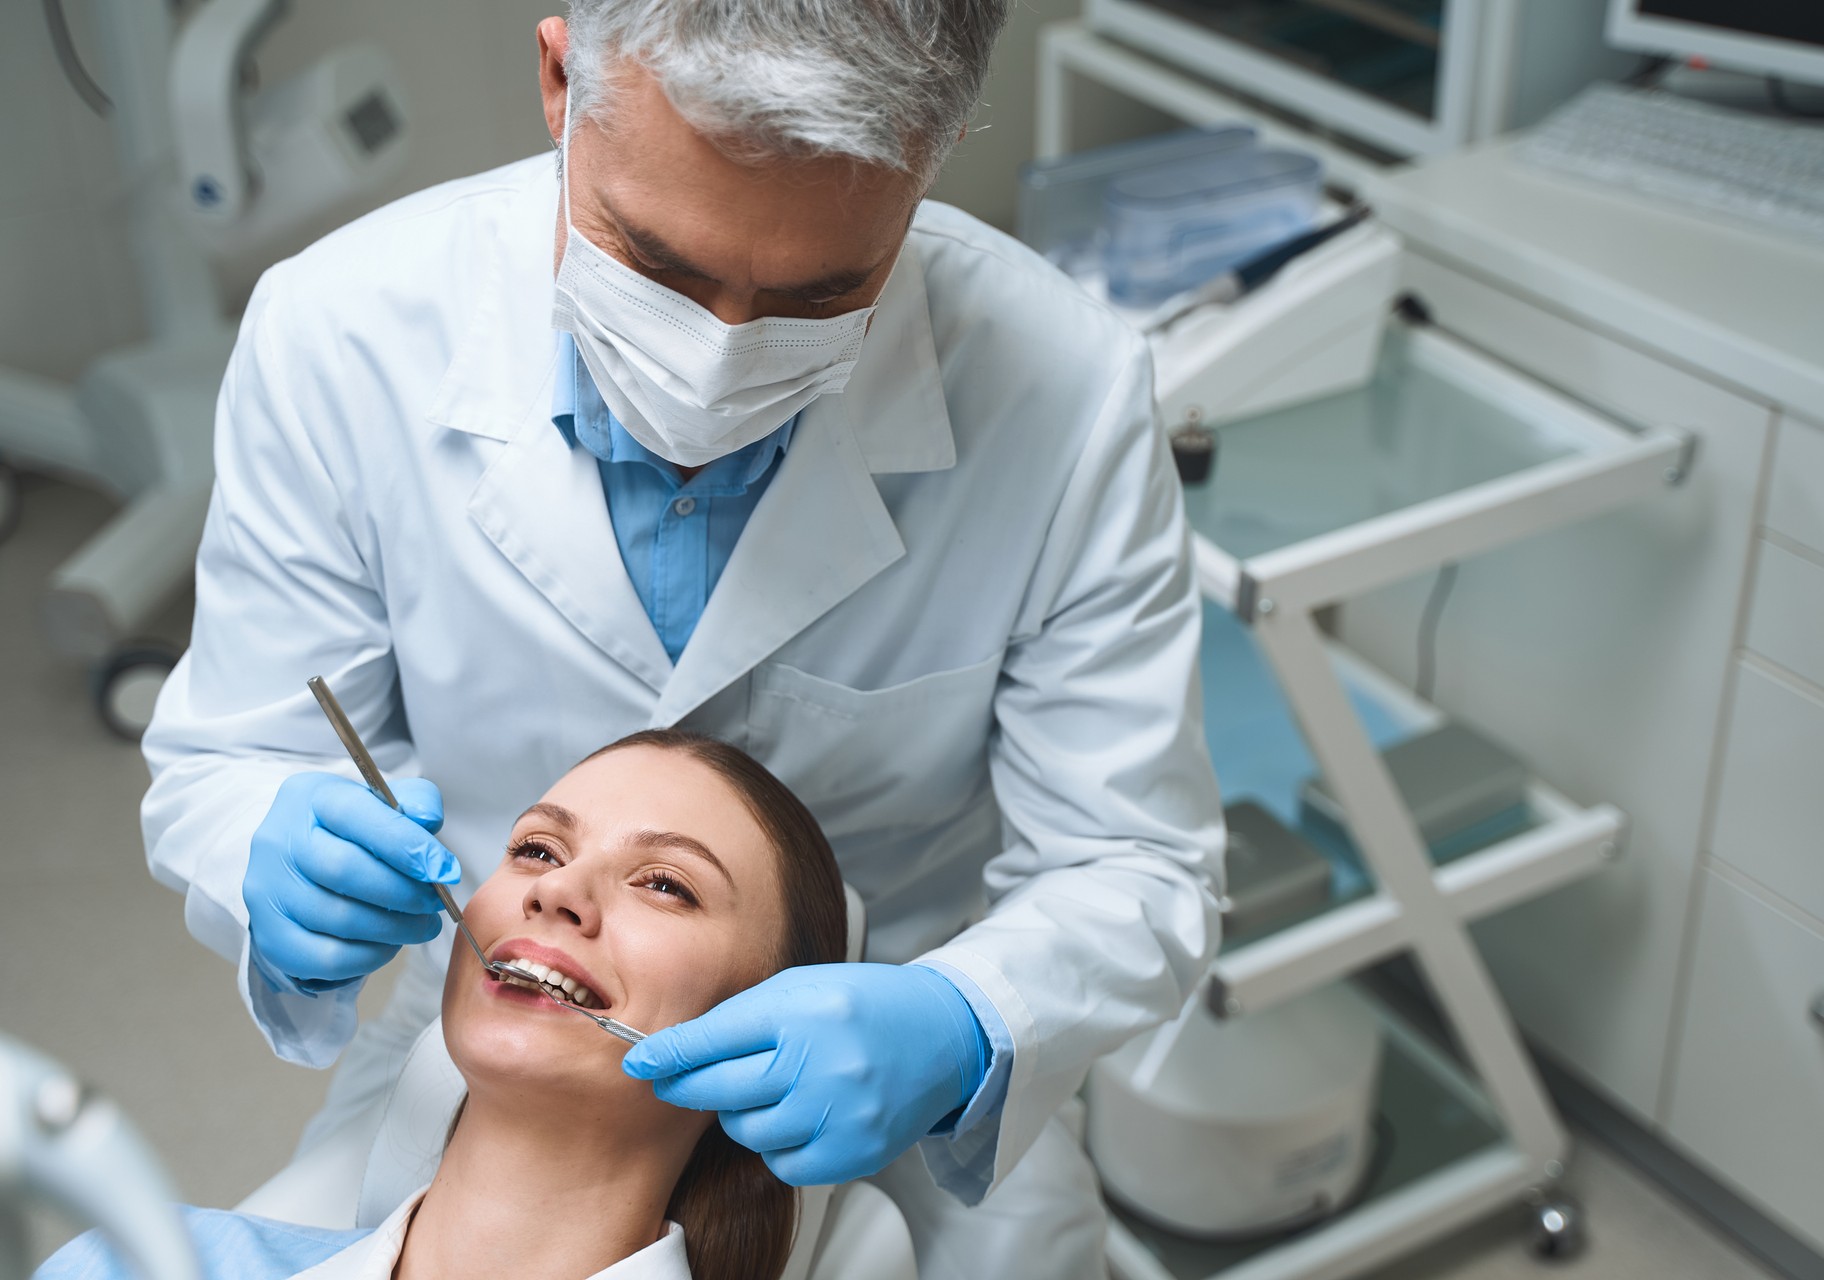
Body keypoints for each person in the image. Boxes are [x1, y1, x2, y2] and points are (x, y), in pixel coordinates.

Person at [140, 3, 1224, 1277]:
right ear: (558, 78)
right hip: (492, 1053)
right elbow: (240, 752)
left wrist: (965, 1023)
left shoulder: (1067, 395)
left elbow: (1137, 861)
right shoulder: (340, 333)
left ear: (934, 151)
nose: (718, 355)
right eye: (655, 262)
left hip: (899, 1105)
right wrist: (273, 842)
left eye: (820, 295)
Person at [45, 730, 848, 1279]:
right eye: (537, 849)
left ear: (764, 1038)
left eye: (667, 885)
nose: (557, 889)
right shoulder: (133, 1263)